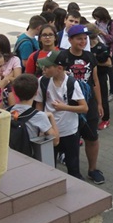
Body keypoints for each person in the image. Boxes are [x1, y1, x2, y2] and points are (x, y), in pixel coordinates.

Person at [61, 25, 105, 185]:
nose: (83, 41)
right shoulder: (63, 57)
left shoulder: (90, 57)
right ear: (70, 40)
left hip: (89, 105)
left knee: (92, 138)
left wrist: (99, 103)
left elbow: (95, 81)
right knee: (71, 142)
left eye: (85, 38)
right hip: (69, 106)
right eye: (79, 38)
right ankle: (74, 172)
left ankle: (93, 170)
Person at [34, 50, 88, 180]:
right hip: (50, 131)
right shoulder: (43, 81)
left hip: (69, 131)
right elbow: (39, 104)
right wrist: (41, 126)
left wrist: (64, 107)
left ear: (59, 68)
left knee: (73, 167)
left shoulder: (71, 83)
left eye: (47, 67)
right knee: (49, 166)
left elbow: (84, 108)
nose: (43, 69)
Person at [7, 73, 59, 146]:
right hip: (28, 152)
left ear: (15, 92)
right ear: (36, 92)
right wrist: (51, 116)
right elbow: (55, 141)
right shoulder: (39, 116)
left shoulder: (8, 111)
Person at [86, 23, 112, 130]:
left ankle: (106, 119)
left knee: (103, 97)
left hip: (101, 76)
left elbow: (108, 63)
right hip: (90, 76)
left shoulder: (101, 47)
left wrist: (94, 62)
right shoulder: (86, 47)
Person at [92, 6, 113, 100]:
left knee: (110, 70)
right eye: (95, 17)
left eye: (98, 17)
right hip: (99, 49)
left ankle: (112, 92)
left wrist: (103, 34)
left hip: (110, 50)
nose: (97, 19)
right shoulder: (96, 23)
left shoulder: (112, 24)